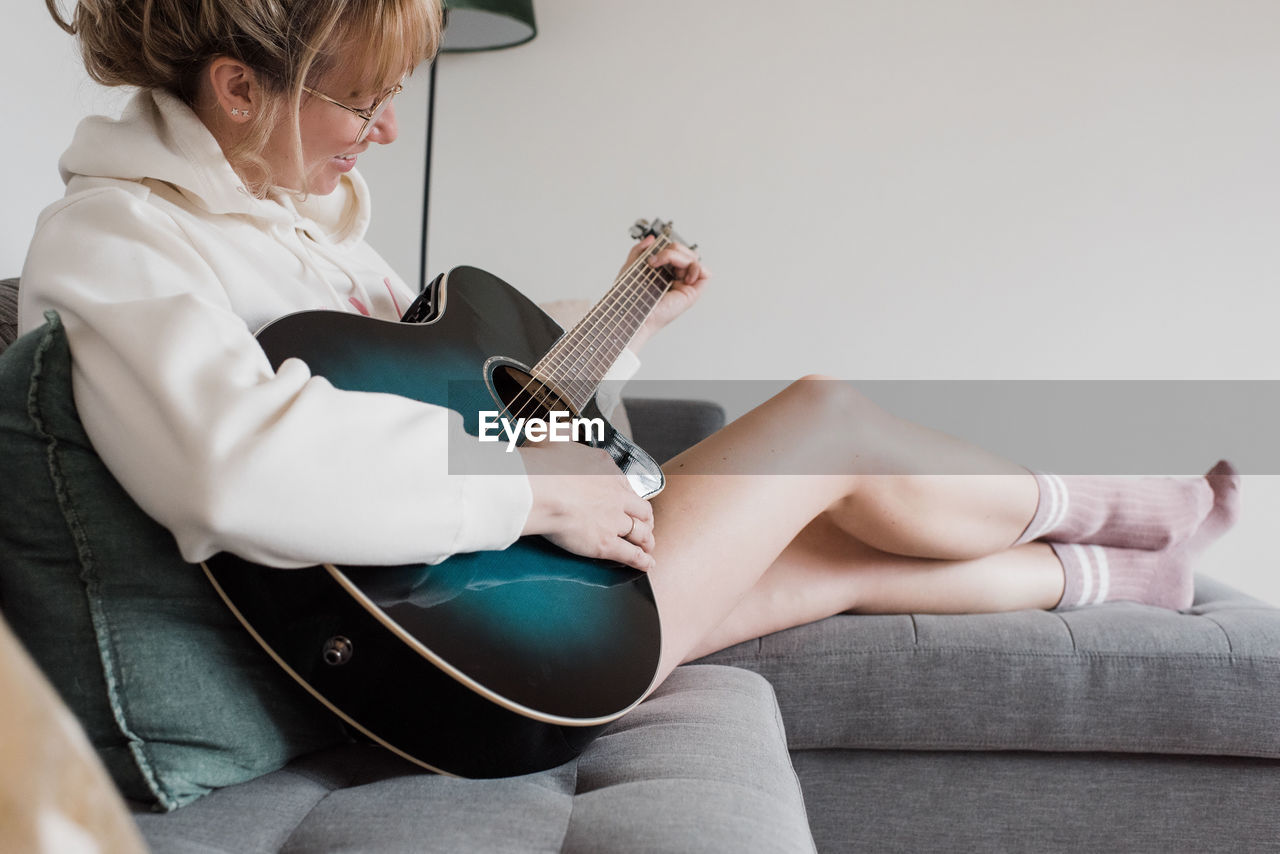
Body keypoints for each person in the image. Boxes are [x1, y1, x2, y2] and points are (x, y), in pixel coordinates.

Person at [23, 0, 1239, 696]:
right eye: (360, 100)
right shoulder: (117, 234)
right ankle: (1139, 500)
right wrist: (531, 486)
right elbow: (232, 468)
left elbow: (482, 416)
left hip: (480, 607)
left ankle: (1131, 570)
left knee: (835, 558)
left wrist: (618, 332)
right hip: (422, 641)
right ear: (238, 88)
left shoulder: (301, 230)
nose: (389, 130)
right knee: (823, 422)